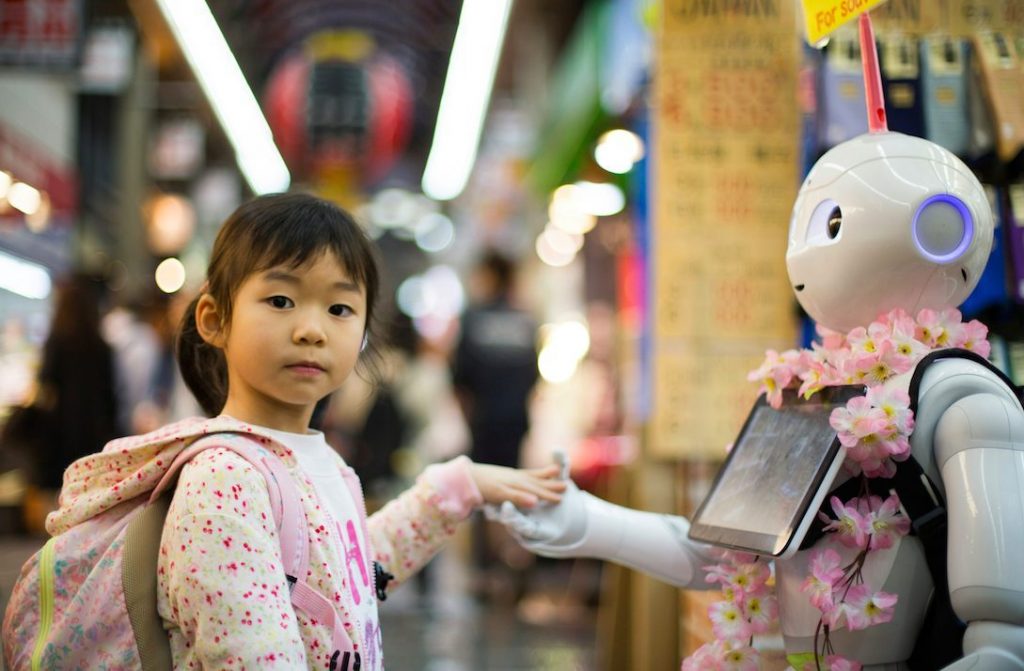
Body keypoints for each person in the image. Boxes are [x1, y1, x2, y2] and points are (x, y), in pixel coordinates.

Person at [44, 193, 565, 669]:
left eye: (339, 308)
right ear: (213, 319)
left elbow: (345, 577)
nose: (311, 329)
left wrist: (460, 487)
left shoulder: (317, 460)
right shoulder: (224, 480)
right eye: (280, 301)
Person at [451, 249, 541, 598]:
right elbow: (534, 378)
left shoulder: (474, 318)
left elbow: (459, 378)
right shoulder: (525, 321)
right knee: (514, 492)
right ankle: (514, 563)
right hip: (516, 422)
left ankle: (486, 570)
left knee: (482, 494)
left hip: (483, 422)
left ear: (489, 275)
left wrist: (468, 416)